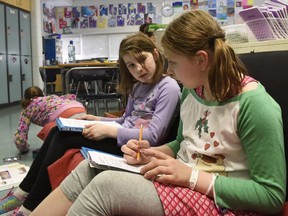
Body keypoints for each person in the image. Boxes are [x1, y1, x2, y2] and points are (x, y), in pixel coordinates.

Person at [31, 10, 286, 215]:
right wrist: (153, 153)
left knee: (106, 187)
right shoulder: (192, 90)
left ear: (200, 60)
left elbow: (272, 197)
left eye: (173, 62)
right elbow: (184, 143)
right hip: (187, 178)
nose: (170, 72)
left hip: (223, 201)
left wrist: (191, 177)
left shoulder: (255, 106)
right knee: (90, 167)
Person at [0, 32, 181, 216]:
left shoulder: (169, 87)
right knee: (56, 130)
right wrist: (97, 119)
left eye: (142, 60)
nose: (139, 69)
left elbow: (154, 136)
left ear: (156, 54)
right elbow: (125, 121)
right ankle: (23, 192)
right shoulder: (138, 87)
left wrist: (108, 132)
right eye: (131, 65)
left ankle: (28, 207)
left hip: (136, 149)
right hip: (123, 138)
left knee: (63, 138)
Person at [14, 86, 87, 153]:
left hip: (63, 116)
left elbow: (20, 137)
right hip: (79, 108)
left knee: (50, 132)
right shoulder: (52, 97)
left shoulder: (27, 110)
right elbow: (71, 96)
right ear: (42, 94)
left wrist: (24, 149)